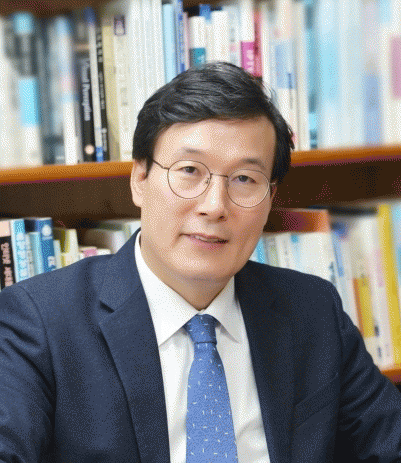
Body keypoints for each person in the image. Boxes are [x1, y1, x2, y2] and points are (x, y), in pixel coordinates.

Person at [0, 61, 401, 463]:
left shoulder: (313, 311)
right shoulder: (39, 324)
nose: (214, 206)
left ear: (270, 198)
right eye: (190, 170)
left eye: (245, 179)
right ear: (139, 179)